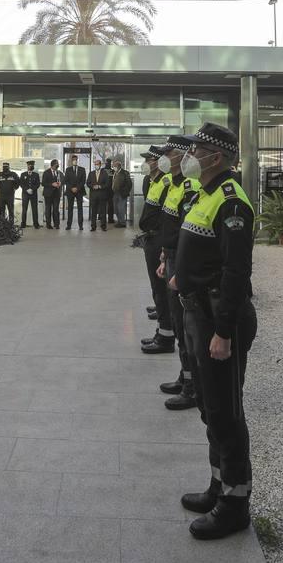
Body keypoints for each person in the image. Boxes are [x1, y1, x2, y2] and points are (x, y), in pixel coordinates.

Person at [169, 123, 257, 540]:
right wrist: (180, 278)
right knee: (209, 408)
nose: (189, 155)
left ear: (215, 157)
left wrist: (222, 331)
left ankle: (235, 504)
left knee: (226, 412)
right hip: (196, 312)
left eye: (197, 149)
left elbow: (236, 272)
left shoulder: (231, 201)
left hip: (221, 319)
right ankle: (218, 485)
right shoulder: (203, 195)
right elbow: (201, 252)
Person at [154, 135, 199, 410]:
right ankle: (185, 377)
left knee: (185, 326)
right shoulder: (174, 184)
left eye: (168, 153)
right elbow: (172, 228)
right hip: (170, 256)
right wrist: (164, 254)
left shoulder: (190, 187)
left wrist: (179, 267)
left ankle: (193, 387)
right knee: (179, 323)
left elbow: (187, 233)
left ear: (181, 155)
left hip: (180, 262)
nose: (164, 157)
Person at [139, 145, 174, 353]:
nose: (147, 163)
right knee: (157, 289)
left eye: (150, 160)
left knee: (162, 290)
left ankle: (165, 337)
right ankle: (163, 330)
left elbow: (165, 218)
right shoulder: (155, 181)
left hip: (159, 240)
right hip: (152, 238)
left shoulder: (166, 182)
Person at [63, 154, 86, 230]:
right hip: (70, 191)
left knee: (80, 208)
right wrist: (71, 188)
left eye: (76, 160)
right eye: (73, 160)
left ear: (77, 160)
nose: (75, 161)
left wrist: (77, 188)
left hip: (79, 191)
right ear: (71, 161)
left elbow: (83, 181)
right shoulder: (68, 169)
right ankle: (69, 225)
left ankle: (81, 225)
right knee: (70, 209)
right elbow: (66, 181)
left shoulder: (82, 169)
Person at [87, 157, 110, 231]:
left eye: (97, 164)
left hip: (102, 195)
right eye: (95, 164)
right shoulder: (91, 173)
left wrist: (100, 186)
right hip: (93, 195)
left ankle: (103, 226)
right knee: (93, 211)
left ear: (100, 165)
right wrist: (93, 186)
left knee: (103, 211)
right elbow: (88, 183)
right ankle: (93, 226)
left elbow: (107, 184)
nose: (96, 165)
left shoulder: (105, 173)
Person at [19, 160, 41, 228]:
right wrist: (26, 189)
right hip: (25, 194)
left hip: (33, 194)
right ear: (27, 166)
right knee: (24, 209)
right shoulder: (23, 174)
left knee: (34, 209)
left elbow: (38, 184)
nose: (30, 166)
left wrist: (32, 189)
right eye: (29, 165)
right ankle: (23, 223)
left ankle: (36, 224)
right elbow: (21, 183)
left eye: (32, 165)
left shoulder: (36, 175)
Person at [111, 157, 132, 228]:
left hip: (122, 194)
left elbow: (129, 184)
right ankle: (119, 221)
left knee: (121, 209)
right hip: (115, 193)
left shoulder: (125, 173)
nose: (113, 167)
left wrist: (125, 192)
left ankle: (122, 223)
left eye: (114, 166)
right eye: (113, 166)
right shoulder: (115, 173)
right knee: (116, 209)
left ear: (118, 166)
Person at [41, 159, 62, 228]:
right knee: (48, 209)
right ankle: (48, 224)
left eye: (58, 164)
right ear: (52, 165)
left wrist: (60, 183)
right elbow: (43, 183)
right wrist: (52, 184)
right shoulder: (46, 172)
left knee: (56, 209)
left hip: (56, 194)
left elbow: (63, 180)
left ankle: (56, 224)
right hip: (48, 194)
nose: (57, 166)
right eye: (56, 164)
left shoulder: (59, 172)